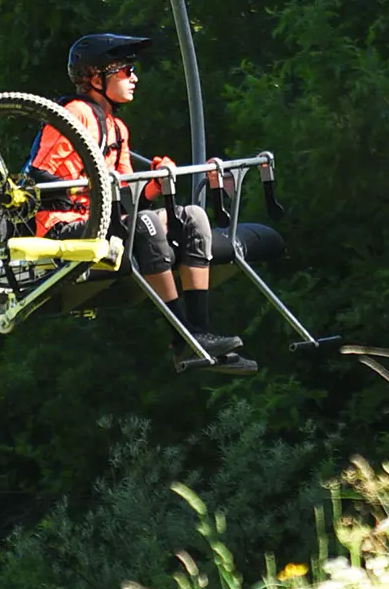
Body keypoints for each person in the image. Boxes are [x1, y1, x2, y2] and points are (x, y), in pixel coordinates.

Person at [27, 33, 257, 375]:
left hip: (103, 221)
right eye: (125, 70)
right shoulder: (74, 114)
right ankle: (184, 340)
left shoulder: (117, 127)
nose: (134, 77)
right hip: (63, 225)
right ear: (96, 78)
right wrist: (92, 190)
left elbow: (127, 200)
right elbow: (38, 177)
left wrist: (155, 183)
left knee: (193, 217)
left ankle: (199, 332)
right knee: (147, 225)